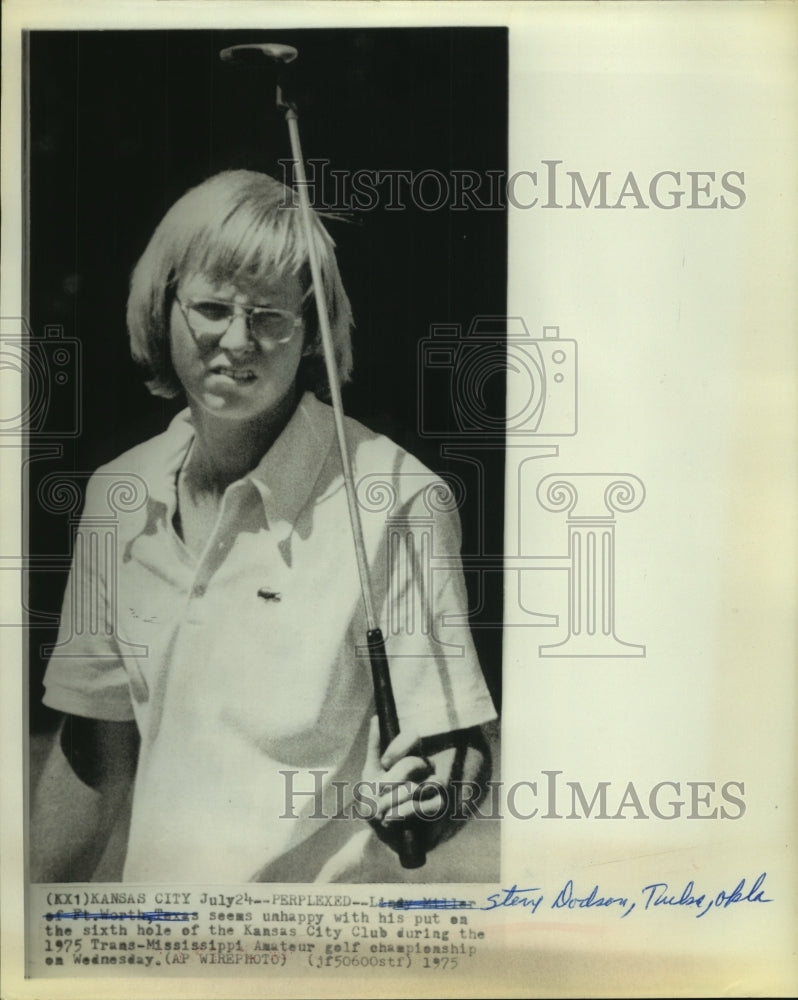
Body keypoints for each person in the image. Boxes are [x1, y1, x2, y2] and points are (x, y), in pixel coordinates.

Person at [31, 170, 497, 883]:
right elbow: (95, 745)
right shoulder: (118, 494)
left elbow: (456, 743)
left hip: (321, 961)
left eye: (271, 317)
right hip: (161, 956)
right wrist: (23, 927)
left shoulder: (399, 499)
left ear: (312, 333)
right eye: (213, 308)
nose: (238, 341)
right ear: (163, 310)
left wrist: (424, 800)